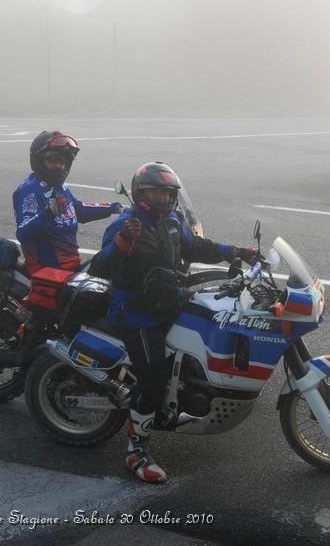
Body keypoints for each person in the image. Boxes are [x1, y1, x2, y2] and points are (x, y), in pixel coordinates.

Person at [90, 161, 257, 483]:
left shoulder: (172, 222)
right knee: (151, 380)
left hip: (168, 301)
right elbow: (100, 269)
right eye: (157, 193)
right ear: (141, 193)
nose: (164, 199)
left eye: (169, 194)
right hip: (136, 312)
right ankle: (136, 452)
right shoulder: (127, 225)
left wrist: (239, 252)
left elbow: (196, 246)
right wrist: (124, 243)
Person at [12, 131, 123, 275]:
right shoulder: (30, 191)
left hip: (70, 268)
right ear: (39, 161)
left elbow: (79, 210)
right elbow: (23, 234)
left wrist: (113, 208)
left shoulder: (58, 186)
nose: (60, 166)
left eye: (63, 162)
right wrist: (49, 213)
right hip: (48, 273)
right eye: (53, 161)